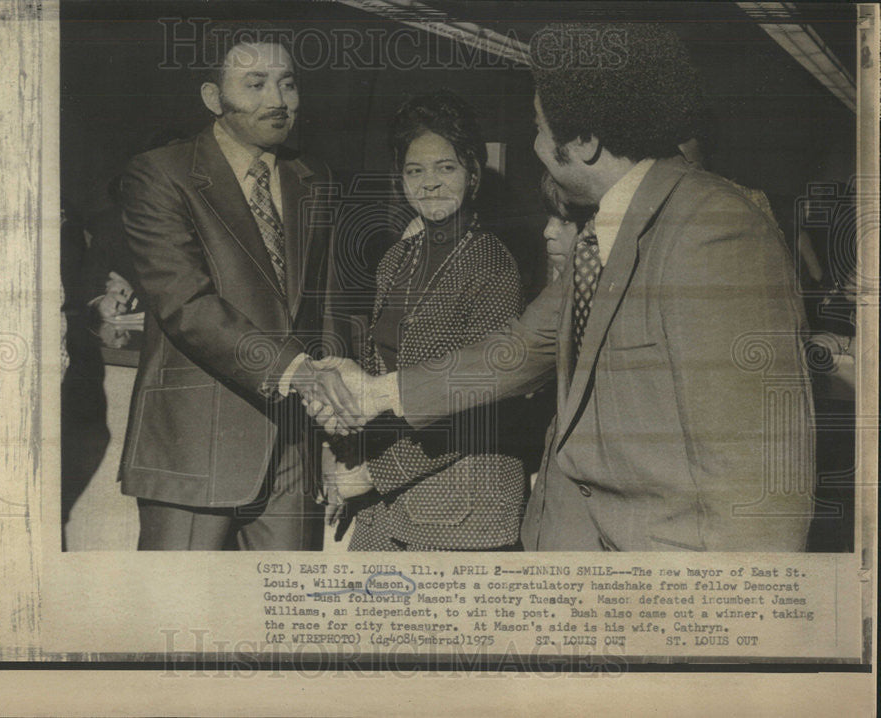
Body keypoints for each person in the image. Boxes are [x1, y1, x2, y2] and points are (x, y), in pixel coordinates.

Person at [312, 23, 816, 552]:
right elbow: (519, 349)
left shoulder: (714, 226)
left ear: (585, 142)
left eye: (537, 127)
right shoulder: (604, 232)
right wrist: (376, 393)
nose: (534, 144)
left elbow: (760, 474)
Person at [118, 25, 347, 550]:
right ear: (212, 97)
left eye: (288, 84)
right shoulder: (160, 174)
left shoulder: (313, 177)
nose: (277, 101)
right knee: (178, 619)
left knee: (280, 621)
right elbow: (185, 304)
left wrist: (336, 431)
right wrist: (295, 371)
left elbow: (328, 310)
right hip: (195, 446)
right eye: (256, 84)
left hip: (294, 450)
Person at [322, 91, 527, 551]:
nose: (429, 183)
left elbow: (481, 402)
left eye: (445, 167)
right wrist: (345, 453)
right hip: (389, 501)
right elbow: (377, 381)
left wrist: (373, 473)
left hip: (464, 504)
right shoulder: (396, 259)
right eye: (415, 170)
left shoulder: (492, 264)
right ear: (401, 180)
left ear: (473, 173)